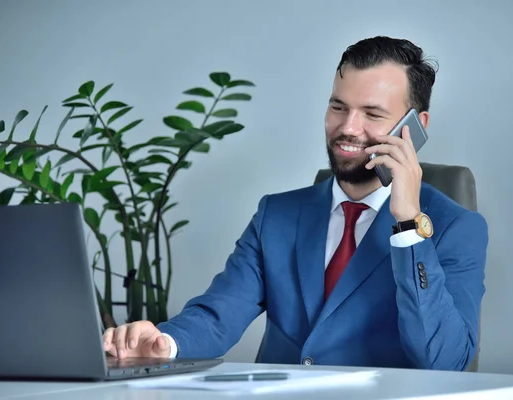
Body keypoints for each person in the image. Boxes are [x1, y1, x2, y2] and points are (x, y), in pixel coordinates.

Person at [103, 36, 488, 371]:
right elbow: (219, 315)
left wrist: (408, 227)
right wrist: (163, 342)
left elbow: (443, 361)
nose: (349, 127)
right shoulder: (277, 215)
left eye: (372, 113)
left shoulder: (456, 228)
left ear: (415, 126)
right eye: (338, 107)